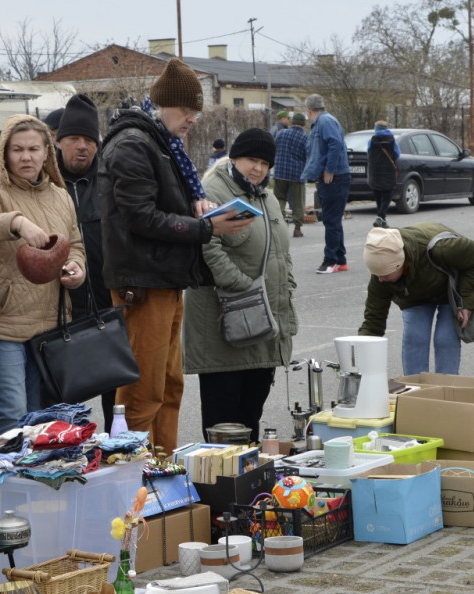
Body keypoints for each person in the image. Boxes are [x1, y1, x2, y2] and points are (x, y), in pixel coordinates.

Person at [97, 58, 254, 452]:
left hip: (164, 280)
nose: (192, 120)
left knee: (168, 386)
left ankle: (163, 467)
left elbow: (157, 210)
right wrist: (205, 227)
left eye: (195, 112)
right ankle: (131, 478)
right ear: (163, 104)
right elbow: (141, 218)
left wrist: (197, 209)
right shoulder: (134, 144)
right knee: (141, 391)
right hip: (142, 284)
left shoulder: (159, 142)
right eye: (186, 110)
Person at [0, 115, 86, 440]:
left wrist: (77, 268)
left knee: (37, 417)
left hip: (48, 324)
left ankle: (29, 487)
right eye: (17, 149)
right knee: (12, 411)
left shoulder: (60, 196)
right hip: (2, 323)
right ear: (4, 154)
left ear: (47, 152)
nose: (26, 156)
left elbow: (74, 244)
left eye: (34, 148)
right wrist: (16, 223)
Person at [184, 128, 297, 436]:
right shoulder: (212, 189)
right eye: (251, 159)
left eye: (264, 163)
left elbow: (279, 251)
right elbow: (206, 245)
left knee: (251, 418)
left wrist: (286, 285)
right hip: (226, 321)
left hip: (262, 322)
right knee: (223, 422)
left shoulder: (267, 196)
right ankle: (217, 483)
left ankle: (248, 481)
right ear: (234, 157)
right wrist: (240, 285)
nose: (258, 168)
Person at [50, 93, 117, 428]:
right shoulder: (43, 184)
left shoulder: (111, 181)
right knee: (62, 405)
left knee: (117, 399)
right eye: (74, 138)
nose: (82, 146)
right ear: (58, 142)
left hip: (108, 304)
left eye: (89, 139)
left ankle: (114, 462)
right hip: (58, 310)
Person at [358, 224, 474, 376]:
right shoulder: (382, 271)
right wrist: (358, 355)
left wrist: (466, 302)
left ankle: (447, 389)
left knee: (445, 338)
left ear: (401, 264)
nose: (380, 279)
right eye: (377, 275)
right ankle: (415, 390)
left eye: (385, 275)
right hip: (415, 295)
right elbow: (374, 320)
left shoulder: (444, 249)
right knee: (415, 338)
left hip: (449, 290)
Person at [302, 93, 350, 274]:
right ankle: (341, 259)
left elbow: (335, 144)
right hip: (330, 178)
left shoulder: (324, 122)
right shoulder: (324, 121)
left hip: (334, 178)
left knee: (331, 221)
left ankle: (330, 261)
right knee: (333, 221)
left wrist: (330, 169)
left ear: (308, 110)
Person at [273, 112, 309, 238]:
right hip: (297, 174)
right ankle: (297, 228)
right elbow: (308, 156)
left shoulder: (281, 133)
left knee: (280, 199)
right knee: (298, 202)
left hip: (280, 172)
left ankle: (279, 225)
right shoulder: (305, 138)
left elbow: (275, 147)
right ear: (303, 125)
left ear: (293, 122)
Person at [367, 120, 399, 229]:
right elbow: (397, 154)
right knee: (387, 196)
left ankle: (381, 219)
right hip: (388, 171)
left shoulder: (371, 140)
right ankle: (380, 217)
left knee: (378, 196)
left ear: (376, 129)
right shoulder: (392, 140)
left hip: (375, 171)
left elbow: (368, 153)